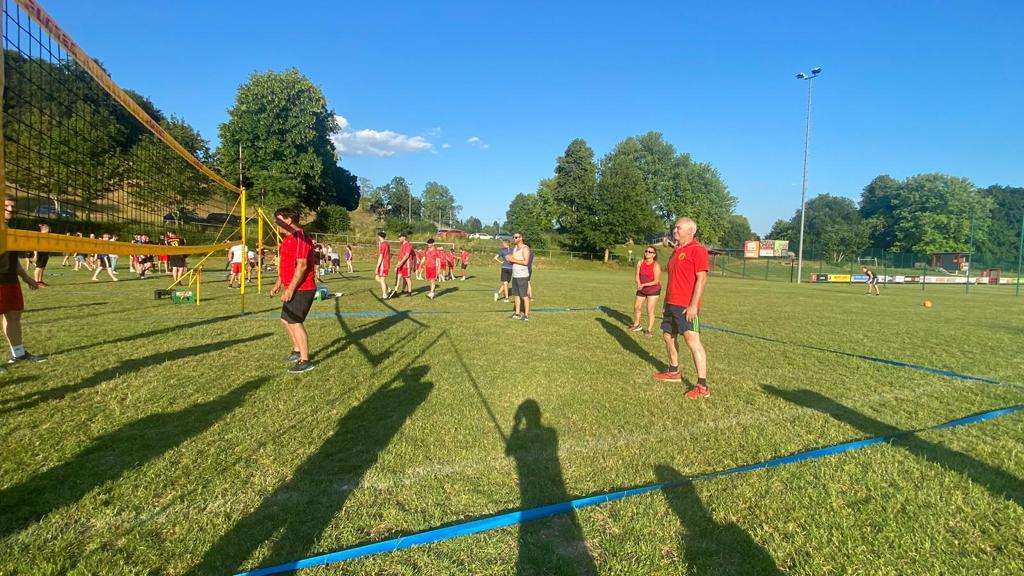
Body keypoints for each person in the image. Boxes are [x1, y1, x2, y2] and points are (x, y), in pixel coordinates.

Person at [655, 217, 710, 400]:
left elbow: (702, 279)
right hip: (671, 304)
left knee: (692, 341)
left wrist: (693, 305)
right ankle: (673, 372)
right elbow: (673, 279)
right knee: (668, 336)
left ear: (690, 231)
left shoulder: (698, 250)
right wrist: (665, 302)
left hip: (686, 306)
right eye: (675, 227)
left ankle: (702, 386)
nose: (674, 230)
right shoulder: (677, 251)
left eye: (678, 228)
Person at [0, 195, 46, 369]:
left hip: (11, 280)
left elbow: (13, 261)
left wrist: (27, 278)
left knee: (13, 316)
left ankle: (18, 354)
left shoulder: (11, 231)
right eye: (6, 206)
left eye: (13, 206)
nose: (11, 209)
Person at [270, 207, 316, 373]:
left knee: (295, 322)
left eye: (279, 220)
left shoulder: (301, 237)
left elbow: (302, 265)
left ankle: (305, 361)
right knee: (285, 320)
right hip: (292, 286)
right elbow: (286, 265)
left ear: (289, 220)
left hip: (303, 288)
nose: (276, 224)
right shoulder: (288, 239)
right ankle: (297, 351)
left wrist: (290, 289)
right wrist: (278, 284)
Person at [629, 245, 662, 336]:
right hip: (642, 289)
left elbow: (656, 281)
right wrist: (638, 283)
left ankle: (649, 330)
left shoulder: (656, 266)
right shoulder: (640, 262)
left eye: (650, 252)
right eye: (646, 251)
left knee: (650, 309)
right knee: (637, 307)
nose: (647, 253)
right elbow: (637, 275)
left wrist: (643, 285)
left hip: (653, 290)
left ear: (654, 255)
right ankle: (637, 325)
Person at [506, 231, 532, 321]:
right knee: (516, 295)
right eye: (513, 237)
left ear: (521, 238)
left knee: (524, 296)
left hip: (522, 275)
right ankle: (517, 313)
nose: (514, 239)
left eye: (516, 237)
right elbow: (513, 260)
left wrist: (513, 260)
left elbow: (526, 262)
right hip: (515, 275)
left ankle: (526, 315)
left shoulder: (525, 248)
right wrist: (509, 259)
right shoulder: (515, 248)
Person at [390, 232, 414, 298]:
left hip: (407, 265)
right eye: (399, 237)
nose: (399, 238)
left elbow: (407, 255)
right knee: (398, 277)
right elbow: (400, 257)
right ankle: (395, 291)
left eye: (400, 237)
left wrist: (400, 263)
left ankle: (409, 292)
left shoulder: (408, 245)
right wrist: (397, 265)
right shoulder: (402, 245)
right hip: (401, 265)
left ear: (404, 237)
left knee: (407, 278)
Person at [32, 223, 51, 288]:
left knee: (42, 267)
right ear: (43, 229)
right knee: (38, 267)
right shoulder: (39, 236)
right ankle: (36, 282)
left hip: (45, 253)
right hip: (40, 253)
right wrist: (35, 255)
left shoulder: (47, 236)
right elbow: (35, 246)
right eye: (47, 228)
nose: (48, 230)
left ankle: (40, 281)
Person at [494, 238, 512, 302]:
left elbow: (495, 258)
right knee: (505, 283)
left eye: (503, 243)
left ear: (506, 243)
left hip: (507, 268)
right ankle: (506, 298)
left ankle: (498, 293)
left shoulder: (503, 250)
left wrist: (501, 262)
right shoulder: (512, 250)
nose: (502, 244)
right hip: (508, 268)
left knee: (505, 283)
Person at [374, 231, 391, 298]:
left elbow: (381, 256)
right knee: (377, 278)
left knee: (382, 279)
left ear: (380, 236)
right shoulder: (386, 243)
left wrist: (377, 267)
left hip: (383, 264)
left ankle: (384, 295)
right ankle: (389, 289)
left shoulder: (383, 244)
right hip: (385, 263)